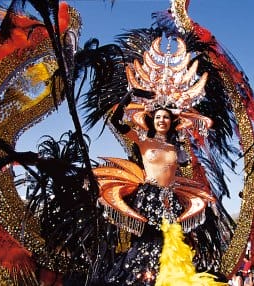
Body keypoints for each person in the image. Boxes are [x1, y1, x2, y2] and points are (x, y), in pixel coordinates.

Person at [91, 36, 224, 286]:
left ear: (171, 121)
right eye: (158, 117)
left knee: (171, 242)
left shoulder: (177, 145)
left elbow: (205, 126)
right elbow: (117, 120)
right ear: (151, 119)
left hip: (172, 196)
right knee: (147, 243)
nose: (162, 120)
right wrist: (131, 94)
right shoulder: (141, 140)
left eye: (166, 117)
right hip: (148, 195)